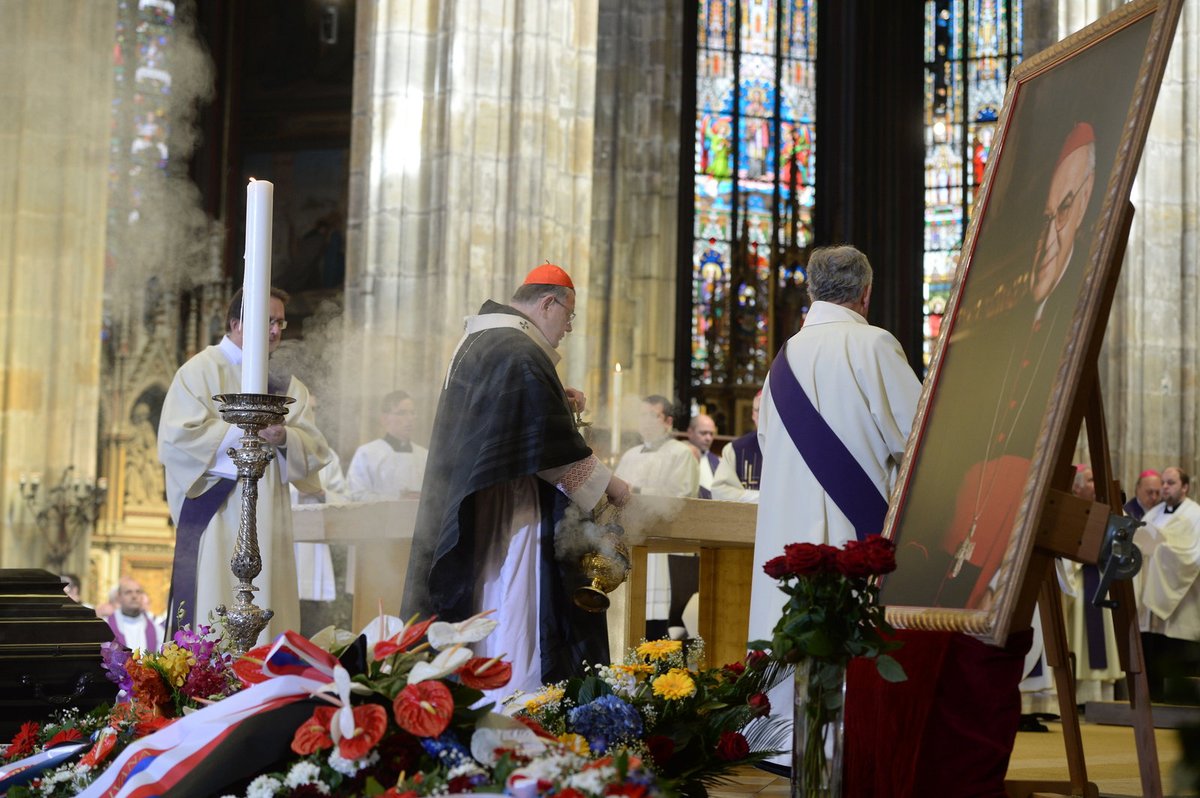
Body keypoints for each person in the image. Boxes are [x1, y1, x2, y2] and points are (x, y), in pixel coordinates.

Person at [887, 122, 1099, 610]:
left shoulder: (1072, 312)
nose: (1047, 240)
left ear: (1087, 205)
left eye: (1064, 211)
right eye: (1045, 216)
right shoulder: (1005, 320)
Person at [401, 264, 632, 698]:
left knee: (491, 598)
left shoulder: (482, 340)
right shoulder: (516, 349)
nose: (567, 329)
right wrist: (609, 485)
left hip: (485, 499)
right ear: (548, 303)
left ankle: (488, 693)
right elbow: (542, 442)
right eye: (569, 316)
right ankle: (519, 702)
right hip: (513, 508)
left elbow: (504, 419)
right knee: (516, 605)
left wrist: (555, 399)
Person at [747, 245, 921, 772]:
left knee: (792, 617)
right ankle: (843, 745)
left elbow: (765, 439)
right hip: (852, 531)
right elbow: (919, 436)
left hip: (787, 531)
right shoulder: (873, 346)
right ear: (865, 294)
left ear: (811, 291)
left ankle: (779, 740)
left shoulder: (783, 359)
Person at [158, 287, 332, 643]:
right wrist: (247, 431)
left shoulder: (287, 383)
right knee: (213, 604)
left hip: (269, 519)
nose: (276, 331)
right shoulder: (199, 372)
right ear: (236, 323)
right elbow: (177, 441)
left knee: (270, 602)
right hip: (219, 513)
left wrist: (284, 438)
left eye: (280, 322)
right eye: (267, 321)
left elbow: (314, 447)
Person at [1134, 466, 1200, 701]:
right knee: (1152, 648)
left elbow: (1195, 555)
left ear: (1185, 487)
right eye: (1163, 482)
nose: (1164, 487)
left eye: (1170, 483)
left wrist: (1163, 551)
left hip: (1181, 599)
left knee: (1176, 653)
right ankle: (1151, 697)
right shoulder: (1153, 514)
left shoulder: (1195, 515)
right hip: (1151, 597)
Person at [346, 391, 428, 502]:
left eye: (413, 413)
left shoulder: (425, 455)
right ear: (384, 419)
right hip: (379, 518)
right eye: (402, 413)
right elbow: (356, 495)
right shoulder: (366, 453)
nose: (410, 418)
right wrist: (397, 499)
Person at [615, 397, 699, 498]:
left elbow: (681, 496)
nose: (647, 421)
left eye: (653, 415)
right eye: (643, 415)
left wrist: (636, 490)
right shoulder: (630, 455)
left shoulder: (681, 453)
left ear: (668, 422)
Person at [718, 390, 762, 502]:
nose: (763, 416)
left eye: (768, 410)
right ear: (753, 414)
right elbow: (720, 491)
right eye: (759, 410)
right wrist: (762, 499)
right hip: (744, 518)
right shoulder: (734, 450)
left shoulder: (794, 450)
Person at [105, 576, 165, 652]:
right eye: (128, 592)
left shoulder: (156, 629)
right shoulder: (106, 627)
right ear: (119, 597)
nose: (134, 596)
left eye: (138, 592)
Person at [125, 402, 165, 505]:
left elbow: (151, 443)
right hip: (135, 461)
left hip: (147, 460)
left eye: (144, 416)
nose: (142, 418)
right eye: (140, 415)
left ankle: (153, 498)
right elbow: (128, 447)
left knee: (150, 473)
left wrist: (148, 457)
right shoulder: (131, 428)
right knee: (132, 470)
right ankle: (135, 498)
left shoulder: (147, 427)